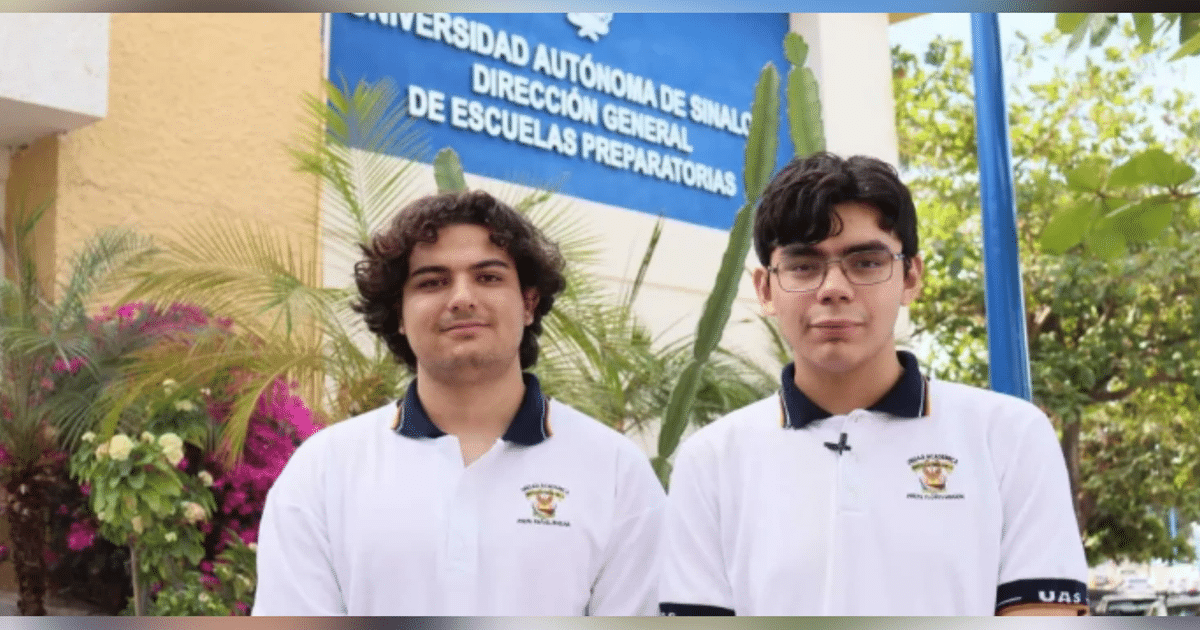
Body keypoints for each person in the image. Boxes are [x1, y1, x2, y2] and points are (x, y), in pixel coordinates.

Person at [657, 153, 1089, 616]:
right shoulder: (712, 460)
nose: (834, 288)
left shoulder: (1008, 435)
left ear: (910, 277)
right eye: (804, 265)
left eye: (865, 263)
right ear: (765, 288)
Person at [253, 190, 665, 615]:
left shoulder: (616, 472)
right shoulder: (324, 470)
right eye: (432, 282)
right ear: (399, 312)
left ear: (528, 302)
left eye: (488, 277)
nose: (462, 297)